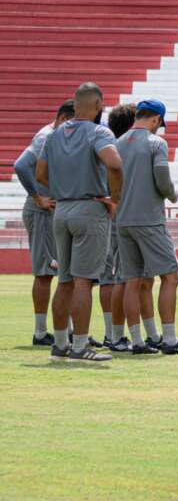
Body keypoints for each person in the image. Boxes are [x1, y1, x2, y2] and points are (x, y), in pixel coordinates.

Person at [36, 82, 123, 362]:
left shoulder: (55, 133)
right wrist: (115, 198)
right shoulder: (99, 131)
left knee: (65, 281)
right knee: (84, 282)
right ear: (98, 105)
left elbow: (40, 174)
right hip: (90, 208)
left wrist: (63, 187)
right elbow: (115, 163)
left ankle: (60, 344)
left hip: (61, 210)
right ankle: (80, 346)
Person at [115, 100, 178, 355]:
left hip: (123, 220)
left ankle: (139, 340)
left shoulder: (117, 144)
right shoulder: (156, 144)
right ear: (155, 119)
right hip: (149, 219)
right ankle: (170, 340)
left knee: (132, 281)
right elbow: (162, 180)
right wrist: (173, 194)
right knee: (170, 276)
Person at [13, 99, 74, 346]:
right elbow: (21, 165)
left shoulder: (52, 136)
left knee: (60, 270)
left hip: (51, 210)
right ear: (62, 119)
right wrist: (38, 198)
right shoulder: (46, 137)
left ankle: (66, 329)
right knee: (45, 272)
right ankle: (41, 332)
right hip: (42, 212)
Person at [98, 103, 140, 352]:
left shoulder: (107, 146)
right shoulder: (115, 150)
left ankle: (111, 333)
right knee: (117, 277)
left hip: (111, 217)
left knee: (110, 277)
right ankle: (114, 334)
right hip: (115, 218)